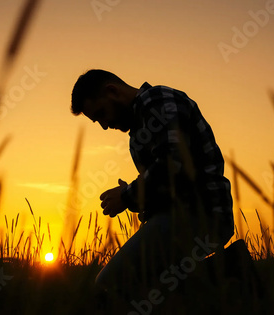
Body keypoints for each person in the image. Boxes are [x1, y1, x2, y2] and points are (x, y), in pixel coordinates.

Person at [70, 69, 234, 305]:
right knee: (156, 286)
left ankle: (232, 274)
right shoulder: (140, 125)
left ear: (112, 91)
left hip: (201, 215)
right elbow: (172, 182)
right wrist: (142, 198)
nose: (105, 125)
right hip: (188, 215)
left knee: (110, 282)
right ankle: (229, 276)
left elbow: (173, 163)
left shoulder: (155, 100)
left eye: (101, 114)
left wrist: (127, 196)